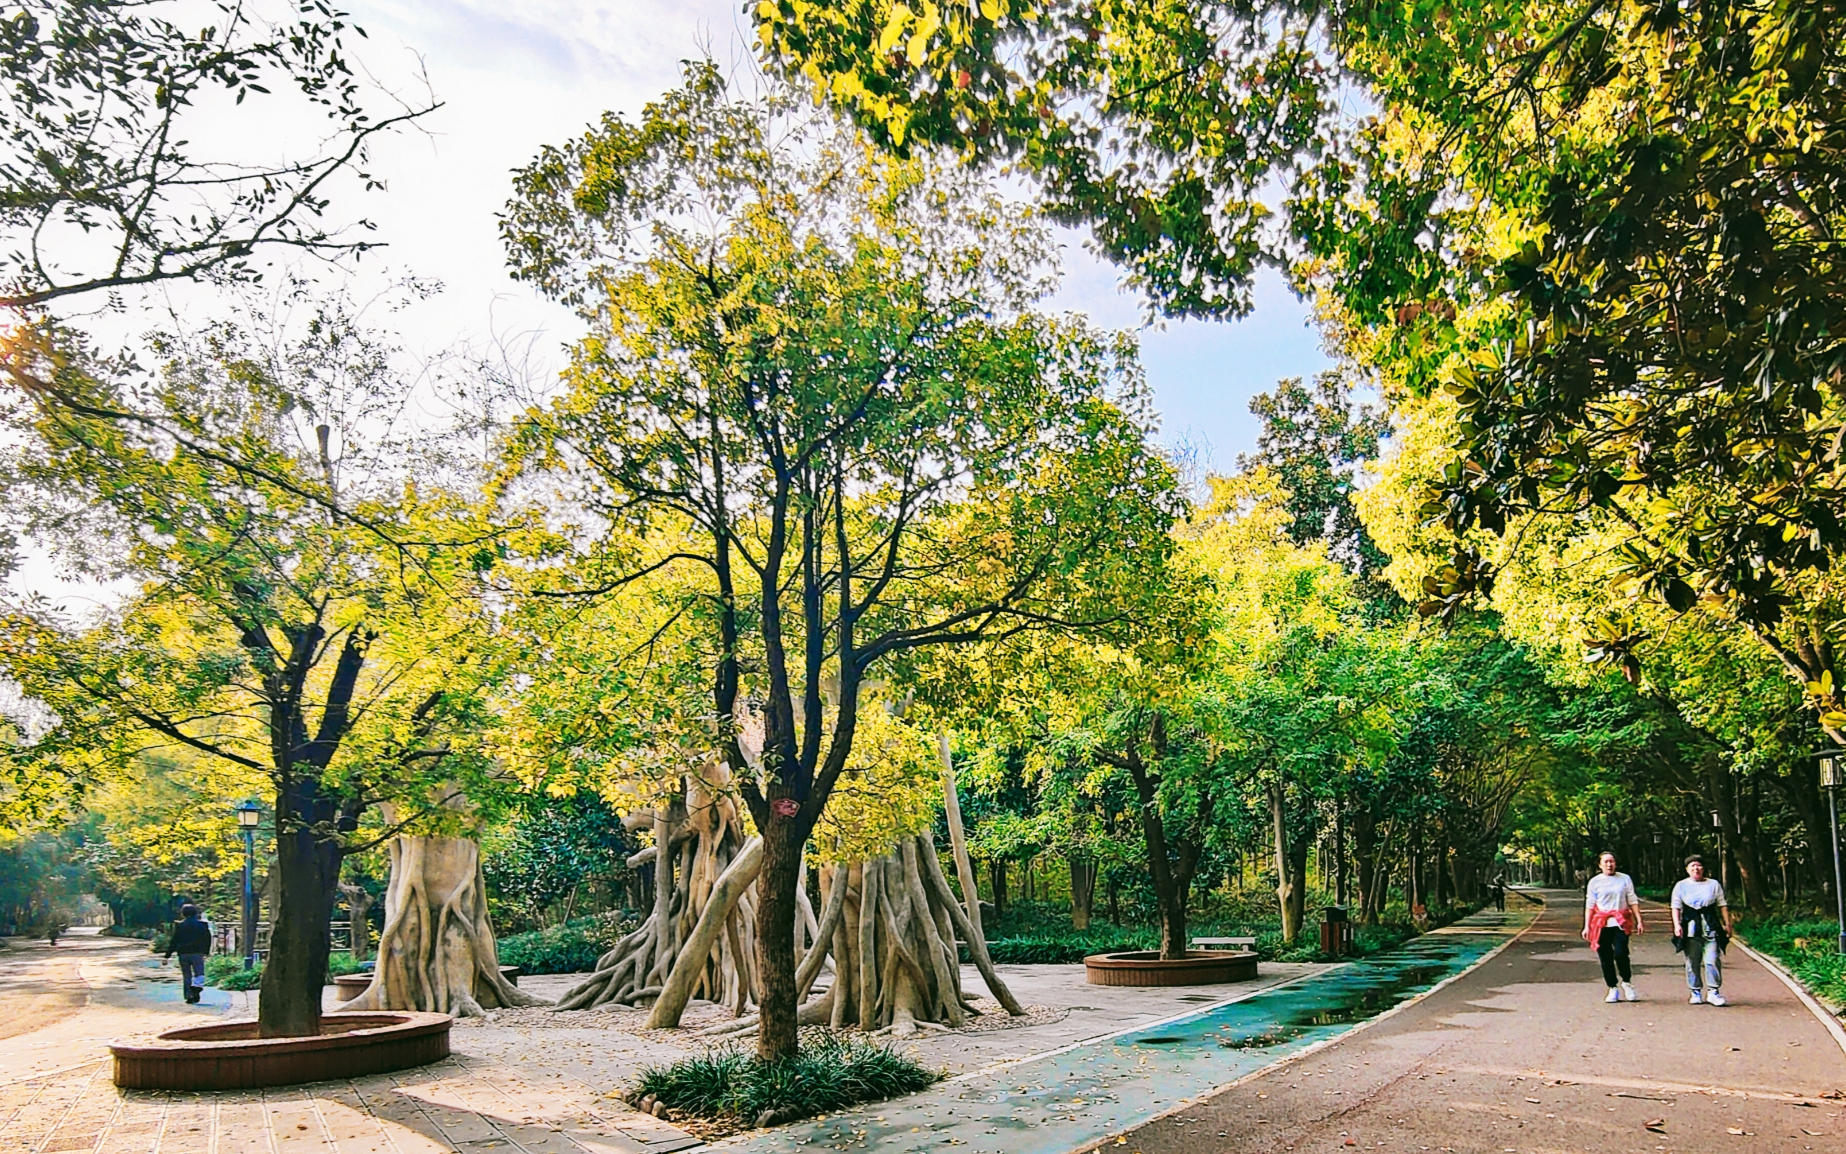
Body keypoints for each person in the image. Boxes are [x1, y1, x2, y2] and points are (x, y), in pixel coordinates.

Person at [1582, 850, 1643, 1002]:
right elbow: (1590, 904)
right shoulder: (1595, 882)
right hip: (1601, 923)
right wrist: (1586, 926)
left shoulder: (1624, 879)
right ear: (1600, 865)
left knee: (1621, 953)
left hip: (1620, 921)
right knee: (1605, 957)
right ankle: (1612, 987)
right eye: (1606, 862)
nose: (1609, 864)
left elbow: (1632, 899)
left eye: (1612, 861)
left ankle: (1627, 983)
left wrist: (1639, 920)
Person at [1671, 854, 1732, 1006]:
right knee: (1692, 961)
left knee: (1712, 960)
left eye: (1699, 865)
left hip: (1710, 927)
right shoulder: (1681, 886)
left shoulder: (1713, 884)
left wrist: (1728, 924)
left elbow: (1722, 905)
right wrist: (1677, 925)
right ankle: (1695, 991)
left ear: (1703, 868)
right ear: (1687, 869)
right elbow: (1676, 906)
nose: (1696, 868)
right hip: (1690, 928)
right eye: (1692, 866)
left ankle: (1713, 991)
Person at [164, 904, 213, 1005]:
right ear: (196, 913)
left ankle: (189, 995)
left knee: (186, 975)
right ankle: (196, 987)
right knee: (199, 973)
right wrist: (206, 952)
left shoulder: (180, 926)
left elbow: (174, 941)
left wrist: (167, 956)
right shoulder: (202, 925)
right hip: (197, 952)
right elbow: (208, 939)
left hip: (183, 953)